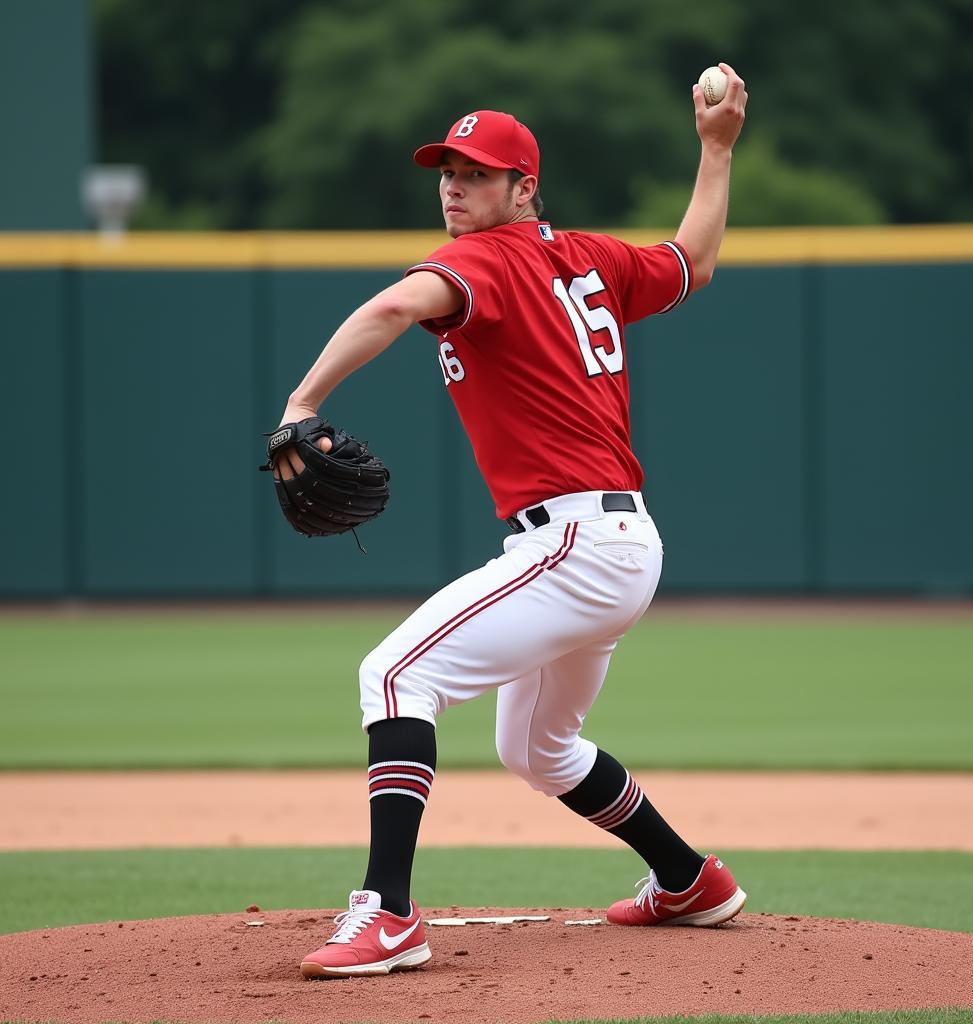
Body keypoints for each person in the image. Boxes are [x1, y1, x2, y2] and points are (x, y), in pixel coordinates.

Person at [272, 64, 749, 978]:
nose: (454, 187)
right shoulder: (593, 259)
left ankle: (389, 915)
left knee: (393, 675)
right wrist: (716, 152)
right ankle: (689, 879)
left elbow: (394, 304)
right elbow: (694, 259)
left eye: (477, 173)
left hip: (575, 542)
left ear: (524, 187)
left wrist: (303, 400)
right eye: (448, 172)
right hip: (614, 543)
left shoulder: (484, 259)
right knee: (536, 747)